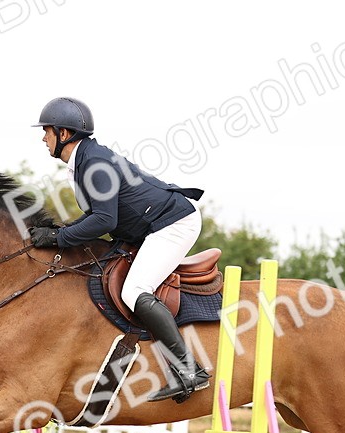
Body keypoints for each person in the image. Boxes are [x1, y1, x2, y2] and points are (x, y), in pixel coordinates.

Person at [27, 97, 209, 403]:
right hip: (148, 226)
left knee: (134, 290)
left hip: (174, 224)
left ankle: (190, 370)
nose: (42, 137)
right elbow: (98, 215)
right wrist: (60, 232)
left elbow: (103, 219)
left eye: (46, 131)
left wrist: (58, 238)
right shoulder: (85, 160)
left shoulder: (94, 163)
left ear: (64, 134)